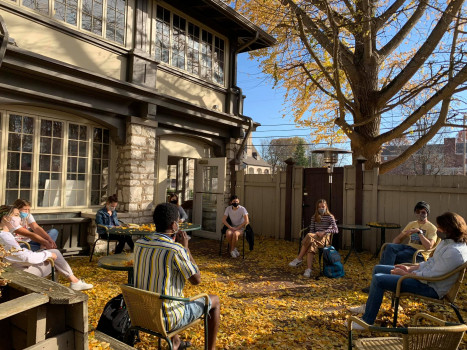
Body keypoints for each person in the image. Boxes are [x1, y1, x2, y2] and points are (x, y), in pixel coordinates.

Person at [349, 212, 467, 329]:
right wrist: (410, 267)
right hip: (424, 279)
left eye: (440, 227)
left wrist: (406, 274)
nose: (438, 229)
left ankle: (366, 321)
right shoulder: (447, 243)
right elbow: (430, 263)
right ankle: (369, 306)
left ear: (449, 229)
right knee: (378, 268)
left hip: (431, 287)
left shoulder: (454, 252)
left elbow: (432, 275)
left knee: (379, 279)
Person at [134, 203, 220, 350]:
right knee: (215, 300)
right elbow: (196, 280)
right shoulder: (175, 250)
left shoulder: (139, 243)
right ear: (174, 226)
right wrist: (186, 249)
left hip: (142, 314)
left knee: (167, 292)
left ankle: (175, 342)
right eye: (178, 222)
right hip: (167, 320)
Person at [0, 205, 93, 291]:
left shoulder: (5, 234)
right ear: (6, 218)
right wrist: (47, 254)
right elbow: (25, 258)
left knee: (54, 253)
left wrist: (45, 250)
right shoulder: (4, 236)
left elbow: (18, 254)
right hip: (14, 274)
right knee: (55, 260)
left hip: (11, 268)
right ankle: (63, 287)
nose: (19, 218)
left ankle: (73, 282)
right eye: (16, 215)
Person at [289, 199, 338, 277]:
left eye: (323, 206)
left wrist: (324, 232)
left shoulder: (330, 217)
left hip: (324, 240)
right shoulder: (314, 217)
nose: (321, 208)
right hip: (315, 237)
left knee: (309, 235)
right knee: (312, 243)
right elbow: (312, 230)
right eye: (319, 207)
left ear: (326, 207)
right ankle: (309, 269)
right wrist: (316, 234)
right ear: (317, 208)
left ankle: (299, 258)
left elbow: (335, 229)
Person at [379, 201, 438, 265]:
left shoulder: (432, 228)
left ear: (427, 213)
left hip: (419, 254)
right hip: (408, 248)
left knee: (391, 255)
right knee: (389, 247)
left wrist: (419, 232)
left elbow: (429, 247)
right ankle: (386, 271)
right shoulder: (412, 224)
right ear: (415, 212)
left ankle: (385, 272)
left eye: (423, 212)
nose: (420, 214)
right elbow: (399, 238)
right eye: (418, 212)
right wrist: (392, 248)